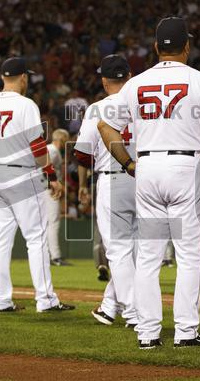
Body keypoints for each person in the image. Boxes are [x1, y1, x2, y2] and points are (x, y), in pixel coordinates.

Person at [98, 17, 200, 348]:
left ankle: (148, 332)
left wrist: (128, 162)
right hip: (184, 166)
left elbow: (105, 127)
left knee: (149, 257)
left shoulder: (136, 83)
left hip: (147, 167)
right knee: (189, 256)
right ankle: (185, 331)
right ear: (187, 46)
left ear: (155, 47)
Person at [0, 57, 73, 314]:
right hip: (22, 176)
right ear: (23, 77)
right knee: (36, 238)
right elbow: (38, 146)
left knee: (1, 239)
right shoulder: (26, 104)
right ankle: (46, 299)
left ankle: (1, 300)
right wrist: (51, 175)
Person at [75, 54, 138, 327]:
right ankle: (109, 306)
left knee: (119, 251)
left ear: (104, 80)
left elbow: (82, 154)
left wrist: (81, 185)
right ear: (129, 77)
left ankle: (135, 313)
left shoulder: (97, 109)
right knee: (135, 250)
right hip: (144, 178)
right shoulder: (143, 104)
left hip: (113, 178)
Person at [45, 128, 71, 266]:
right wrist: (51, 184)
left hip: (43, 189)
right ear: (62, 138)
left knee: (46, 224)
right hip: (46, 190)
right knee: (53, 222)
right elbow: (41, 167)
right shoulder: (53, 150)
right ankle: (55, 257)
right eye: (66, 138)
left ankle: (49, 255)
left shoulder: (51, 150)